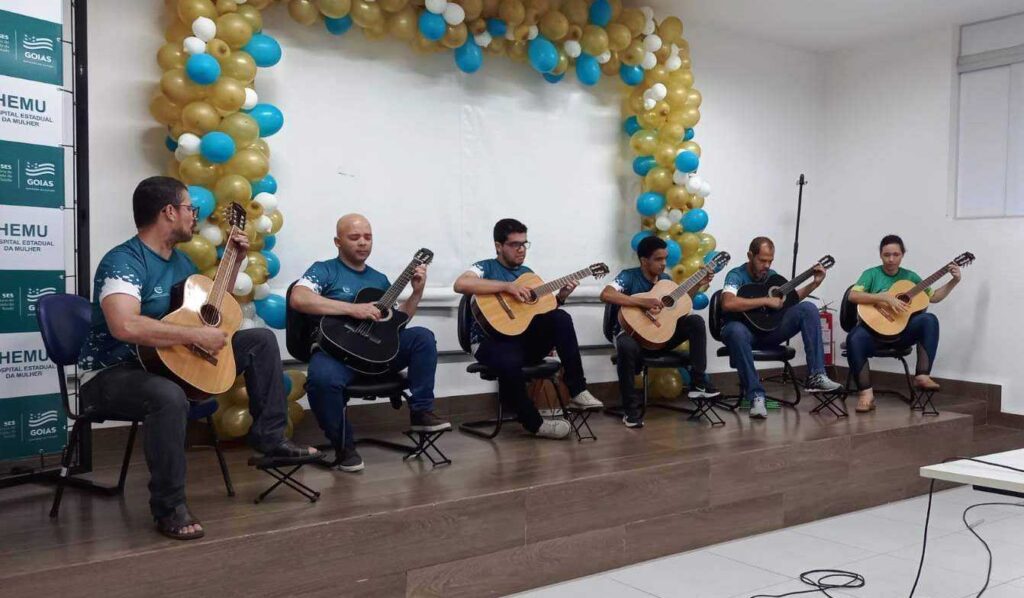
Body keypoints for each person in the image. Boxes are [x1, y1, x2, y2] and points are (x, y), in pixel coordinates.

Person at [79, 176, 318, 541]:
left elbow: (204, 309)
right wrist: (194, 336)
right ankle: (168, 506)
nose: (195, 215)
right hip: (112, 373)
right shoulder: (122, 262)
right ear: (169, 212)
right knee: (167, 396)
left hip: (166, 362)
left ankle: (270, 438)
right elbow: (123, 325)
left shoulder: (182, 262)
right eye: (191, 208)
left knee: (259, 339)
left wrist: (234, 263)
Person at [290, 214, 449, 473]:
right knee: (321, 381)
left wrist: (417, 292)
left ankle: (422, 413)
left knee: (422, 337)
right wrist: (354, 310)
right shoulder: (324, 270)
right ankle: (344, 447)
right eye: (354, 237)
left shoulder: (380, 280)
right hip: (336, 354)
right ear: (337, 241)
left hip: (376, 354)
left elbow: (396, 324)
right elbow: (299, 298)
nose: (362, 242)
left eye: (368, 237)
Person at [452, 218, 603, 440]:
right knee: (507, 358)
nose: (521, 249)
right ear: (498, 246)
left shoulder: (529, 274)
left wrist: (560, 297)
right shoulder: (485, 267)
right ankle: (535, 424)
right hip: (488, 342)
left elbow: (538, 313)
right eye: (515, 244)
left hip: (522, 341)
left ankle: (577, 390)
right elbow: (461, 284)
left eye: (524, 244)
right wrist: (507, 287)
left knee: (560, 317)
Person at [600, 236, 719, 428]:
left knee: (695, 321)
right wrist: (642, 302)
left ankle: (699, 383)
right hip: (634, 337)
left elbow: (681, 304)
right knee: (625, 344)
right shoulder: (628, 276)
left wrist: (698, 284)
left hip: (661, 337)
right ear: (644, 260)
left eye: (665, 258)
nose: (664, 264)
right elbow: (606, 294)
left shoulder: (665, 280)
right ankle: (630, 411)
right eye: (658, 259)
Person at [720, 236, 843, 418]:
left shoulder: (772, 277)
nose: (767, 265)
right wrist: (766, 300)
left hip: (770, 331)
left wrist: (815, 283)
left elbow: (792, 299)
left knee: (808, 308)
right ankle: (756, 397)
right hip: (745, 333)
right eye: (762, 260)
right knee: (735, 330)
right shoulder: (736, 276)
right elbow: (727, 303)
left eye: (770, 261)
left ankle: (816, 375)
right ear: (750, 255)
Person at [846, 234, 960, 412]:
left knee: (929, 320)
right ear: (880, 255)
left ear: (902, 254)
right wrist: (884, 297)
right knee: (854, 338)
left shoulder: (910, 277)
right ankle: (866, 394)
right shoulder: (871, 274)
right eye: (886, 255)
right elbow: (853, 295)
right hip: (872, 334)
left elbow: (935, 297)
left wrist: (954, 280)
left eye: (896, 254)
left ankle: (922, 375)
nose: (891, 259)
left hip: (900, 333)